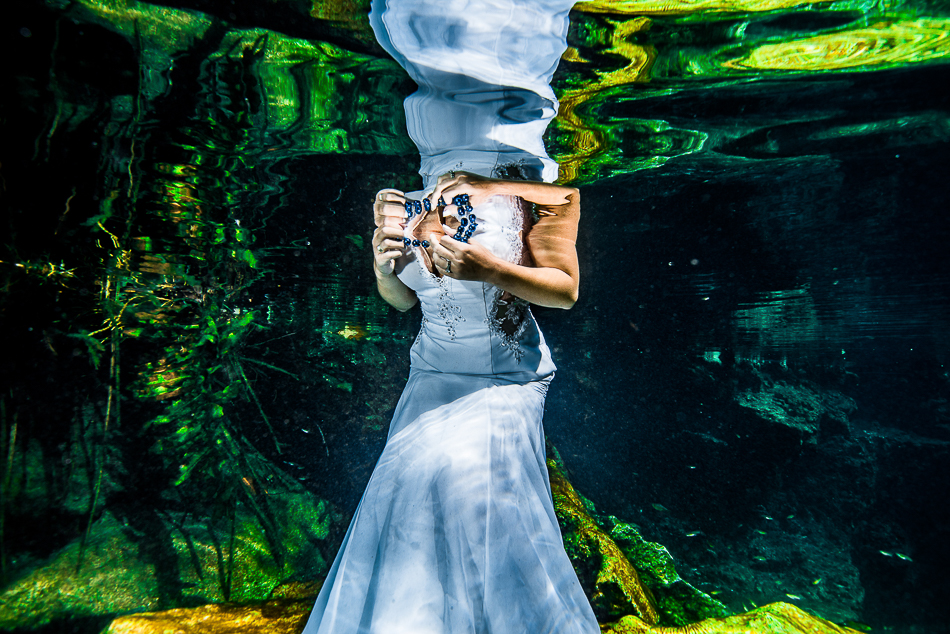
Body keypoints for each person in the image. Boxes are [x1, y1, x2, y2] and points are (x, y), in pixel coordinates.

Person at [300, 170, 599, 633]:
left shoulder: (530, 195)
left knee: (471, 492)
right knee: (402, 504)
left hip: (507, 377)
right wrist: (382, 270)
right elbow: (402, 301)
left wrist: (490, 269)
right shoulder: (410, 202)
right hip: (432, 376)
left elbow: (567, 292)